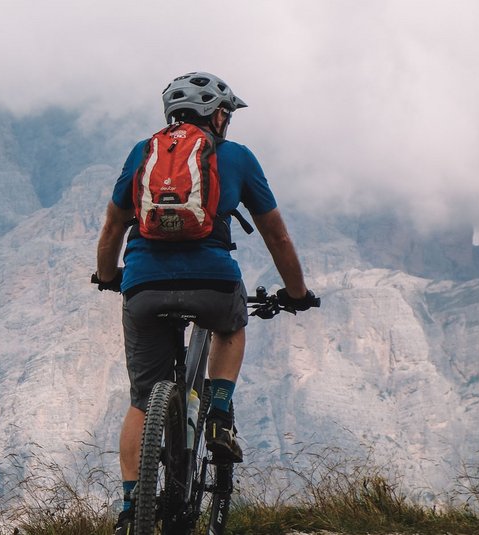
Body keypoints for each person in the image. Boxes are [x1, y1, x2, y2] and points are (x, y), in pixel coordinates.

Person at [93, 72, 318, 533]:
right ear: (218, 115)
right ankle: (217, 411)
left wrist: (111, 276)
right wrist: (296, 293)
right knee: (231, 326)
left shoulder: (143, 153)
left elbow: (112, 229)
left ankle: (132, 509)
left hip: (143, 284)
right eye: (227, 113)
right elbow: (276, 234)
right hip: (213, 282)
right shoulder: (236, 157)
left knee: (141, 401)